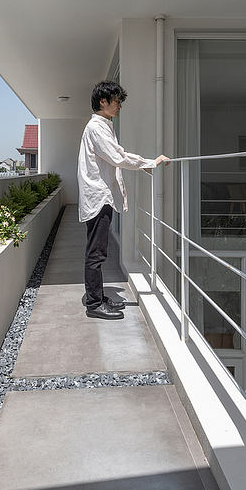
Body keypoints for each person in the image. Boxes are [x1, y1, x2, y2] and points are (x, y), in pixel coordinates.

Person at [78, 81, 169, 320]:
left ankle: (95, 297)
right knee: (96, 253)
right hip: (99, 197)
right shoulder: (97, 128)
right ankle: (94, 304)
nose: (119, 106)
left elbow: (114, 157)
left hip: (100, 195)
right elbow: (117, 157)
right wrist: (149, 163)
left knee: (96, 250)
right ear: (103, 102)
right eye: (116, 101)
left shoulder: (102, 126)